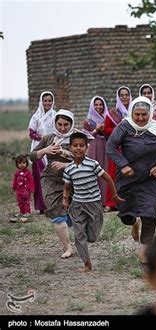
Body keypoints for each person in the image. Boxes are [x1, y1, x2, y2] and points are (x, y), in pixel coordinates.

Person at [106, 96, 156, 263]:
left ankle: (144, 251)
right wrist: (123, 164)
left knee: (149, 213)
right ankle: (134, 224)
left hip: (150, 179)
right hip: (127, 179)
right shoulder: (124, 126)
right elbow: (110, 147)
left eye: (144, 114)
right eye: (137, 114)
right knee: (126, 214)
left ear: (150, 113)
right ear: (131, 112)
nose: (140, 118)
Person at [29, 109, 87, 259]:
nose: (62, 128)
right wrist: (45, 150)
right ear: (55, 123)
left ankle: (81, 240)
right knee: (56, 212)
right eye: (59, 124)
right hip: (51, 180)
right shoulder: (49, 138)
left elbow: (86, 160)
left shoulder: (78, 138)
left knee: (76, 213)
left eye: (66, 124)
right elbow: (32, 156)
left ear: (71, 123)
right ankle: (67, 247)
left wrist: (65, 160)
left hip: (74, 179)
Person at [63, 132, 124, 272]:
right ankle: (87, 263)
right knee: (79, 236)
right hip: (77, 205)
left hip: (94, 204)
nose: (78, 148)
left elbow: (108, 178)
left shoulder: (92, 164)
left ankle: (88, 236)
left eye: (81, 146)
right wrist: (65, 200)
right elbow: (66, 187)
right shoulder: (69, 169)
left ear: (87, 147)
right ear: (70, 148)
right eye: (75, 146)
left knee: (92, 236)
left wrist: (114, 195)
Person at [103, 86, 132, 212]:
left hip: (131, 148)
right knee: (113, 175)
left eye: (126, 95)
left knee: (130, 175)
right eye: (122, 95)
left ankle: (128, 201)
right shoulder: (112, 113)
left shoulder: (134, 110)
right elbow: (106, 129)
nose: (124, 97)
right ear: (118, 97)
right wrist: (120, 128)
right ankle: (111, 202)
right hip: (116, 148)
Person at [28, 91, 56, 214]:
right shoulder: (36, 116)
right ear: (41, 101)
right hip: (39, 150)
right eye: (45, 100)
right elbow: (31, 133)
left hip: (51, 148)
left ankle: (52, 204)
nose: (47, 103)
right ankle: (41, 206)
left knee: (52, 177)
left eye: (50, 100)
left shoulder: (55, 115)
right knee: (39, 177)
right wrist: (42, 138)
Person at [83, 96, 109, 206]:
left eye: (100, 104)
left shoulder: (107, 118)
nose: (98, 107)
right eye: (96, 104)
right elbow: (85, 135)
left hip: (106, 145)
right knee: (93, 170)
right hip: (94, 146)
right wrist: (96, 129)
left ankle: (105, 200)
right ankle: (94, 199)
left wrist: (104, 129)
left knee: (105, 170)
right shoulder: (88, 120)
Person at [11, 155, 35, 223]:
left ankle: (27, 212)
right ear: (17, 164)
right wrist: (13, 188)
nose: (22, 165)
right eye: (20, 163)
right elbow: (15, 181)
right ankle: (22, 212)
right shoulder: (17, 173)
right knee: (20, 202)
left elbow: (31, 181)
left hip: (26, 190)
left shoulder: (28, 173)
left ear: (26, 163)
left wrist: (32, 188)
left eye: (24, 162)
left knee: (26, 202)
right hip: (19, 191)